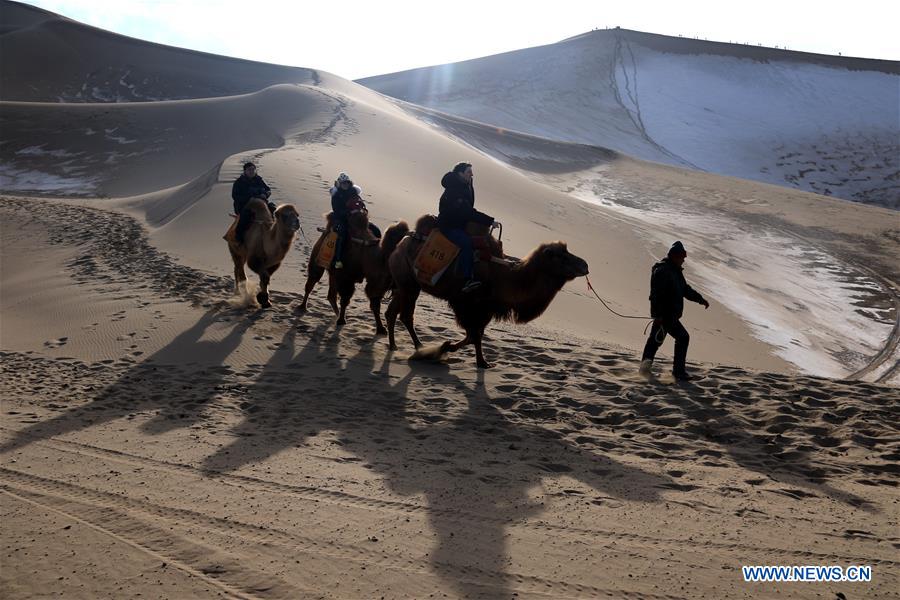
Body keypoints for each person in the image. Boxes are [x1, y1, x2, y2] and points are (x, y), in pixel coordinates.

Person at [639, 241, 710, 381]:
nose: (683, 260)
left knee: (655, 342)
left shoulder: (675, 271)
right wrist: (657, 315)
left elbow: (685, 290)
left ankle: (645, 371)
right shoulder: (663, 271)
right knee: (681, 338)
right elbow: (655, 295)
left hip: (670, 315)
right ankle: (677, 372)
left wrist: (701, 300)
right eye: (682, 257)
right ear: (674, 256)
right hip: (665, 315)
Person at [437, 162, 497, 292]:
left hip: (460, 224)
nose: (472, 174)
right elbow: (467, 212)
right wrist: (489, 221)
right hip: (448, 226)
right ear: (460, 174)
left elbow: (468, 210)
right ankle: (467, 279)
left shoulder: (466, 186)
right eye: (469, 172)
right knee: (466, 243)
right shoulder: (454, 190)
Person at [329, 172, 370, 269]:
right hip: (341, 220)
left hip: (356, 219)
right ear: (339, 183)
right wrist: (349, 212)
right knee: (342, 235)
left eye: (347, 182)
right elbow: (337, 211)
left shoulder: (353, 192)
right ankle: (337, 260)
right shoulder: (336, 195)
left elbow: (360, 204)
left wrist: (360, 210)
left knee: (374, 230)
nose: (345, 185)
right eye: (343, 183)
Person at [231, 162, 274, 244]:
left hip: (261, 204)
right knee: (246, 215)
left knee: (274, 209)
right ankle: (238, 237)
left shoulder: (259, 180)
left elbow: (268, 189)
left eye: (253, 169)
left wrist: (265, 194)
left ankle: (276, 233)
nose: (251, 171)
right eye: (249, 169)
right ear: (245, 171)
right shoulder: (239, 182)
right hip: (244, 205)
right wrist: (250, 198)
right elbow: (235, 196)